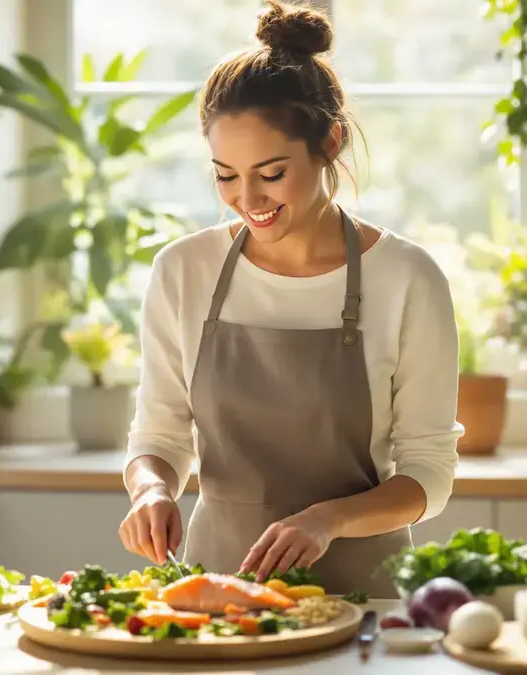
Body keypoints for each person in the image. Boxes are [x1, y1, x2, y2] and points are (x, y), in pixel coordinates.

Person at [118, 0, 463, 598]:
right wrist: (152, 490)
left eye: (271, 173)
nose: (246, 197)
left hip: (365, 602)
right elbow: (160, 435)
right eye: (225, 174)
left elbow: (428, 474)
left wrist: (328, 520)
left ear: (328, 144)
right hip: (215, 595)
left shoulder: (407, 278)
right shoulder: (182, 271)